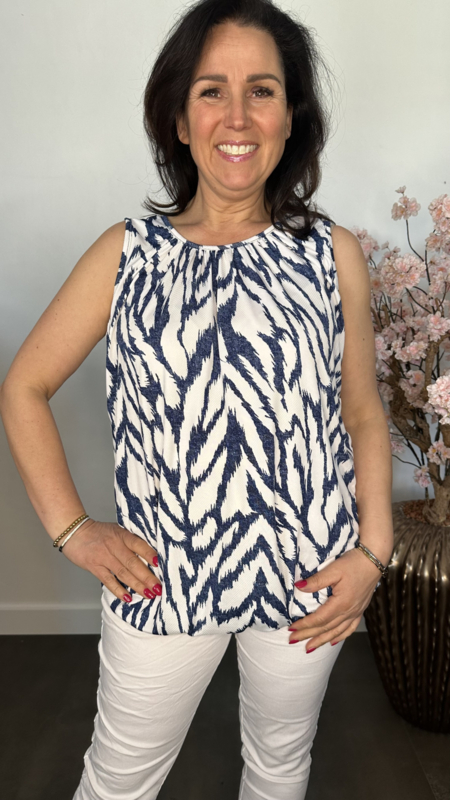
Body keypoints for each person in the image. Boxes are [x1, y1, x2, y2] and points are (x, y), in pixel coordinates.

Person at [0, 0, 395, 798]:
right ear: (180, 119)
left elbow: (360, 411)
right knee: (118, 782)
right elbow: (24, 386)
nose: (237, 116)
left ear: (291, 116)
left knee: (280, 766)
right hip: (165, 577)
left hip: (310, 577)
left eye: (262, 90)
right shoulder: (126, 254)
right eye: (212, 91)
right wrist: (73, 531)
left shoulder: (332, 255)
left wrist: (372, 554)